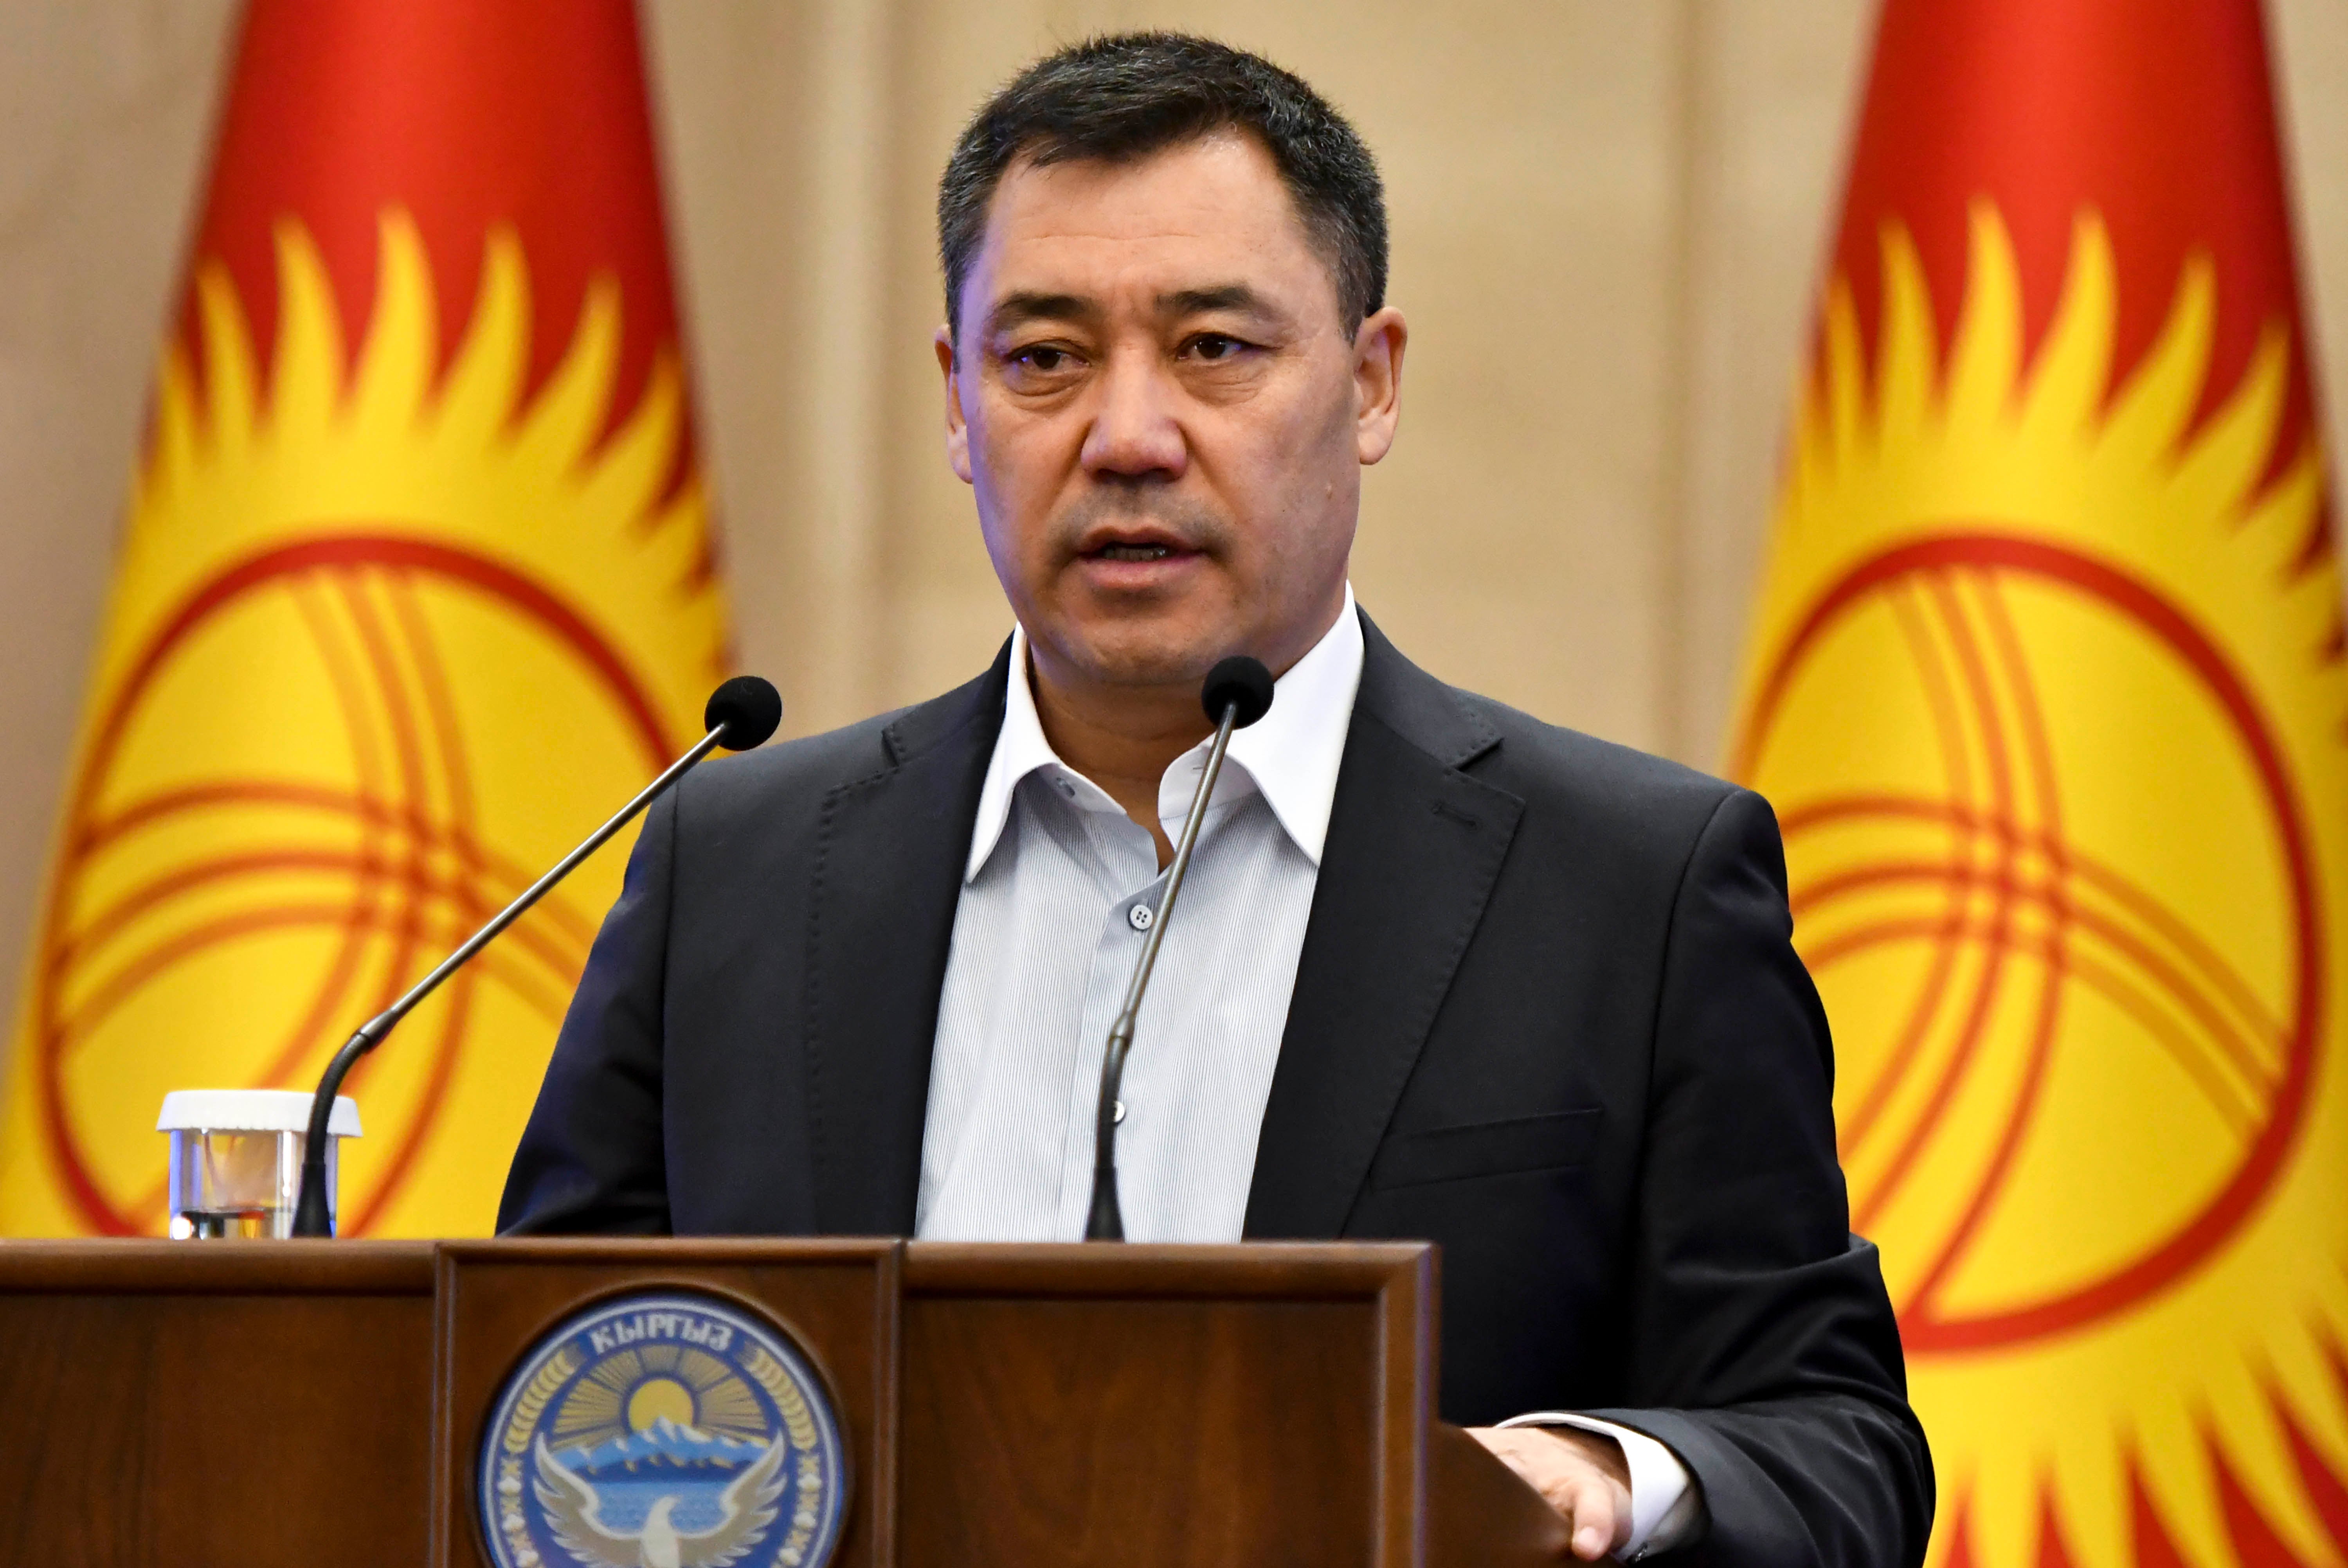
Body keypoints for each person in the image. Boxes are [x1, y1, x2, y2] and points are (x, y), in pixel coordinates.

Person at [501, 32, 1931, 1564]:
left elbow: (1833, 1448)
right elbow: (533, 1389)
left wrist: (1598, 1474)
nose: (1126, 438)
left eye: (1215, 351)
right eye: (1043, 357)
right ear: (955, 398)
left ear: (1371, 382)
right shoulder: (742, 865)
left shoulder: (1632, 887)